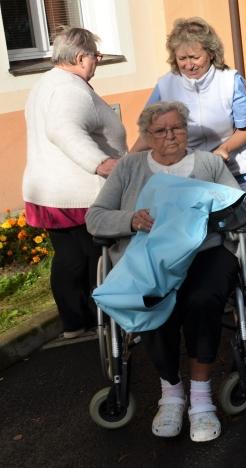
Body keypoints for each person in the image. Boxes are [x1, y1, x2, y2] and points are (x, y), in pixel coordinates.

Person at [87, 101, 239, 442]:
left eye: (178, 128)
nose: (171, 135)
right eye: (161, 130)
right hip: (148, 256)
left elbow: (237, 209)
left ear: (187, 130)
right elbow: (95, 216)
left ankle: (200, 399)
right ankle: (171, 393)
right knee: (152, 299)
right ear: (146, 136)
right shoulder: (129, 167)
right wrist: (131, 219)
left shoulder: (209, 163)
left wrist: (207, 212)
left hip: (204, 251)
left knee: (202, 299)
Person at [131, 17, 246, 326]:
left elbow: (244, 129)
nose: (188, 64)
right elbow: (149, 127)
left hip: (240, 169)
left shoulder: (230, 80)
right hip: (193, 176)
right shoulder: (167, 84)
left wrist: (224, 151)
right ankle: (224, 296)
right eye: (182, 58)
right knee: (204, 241)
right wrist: (129, 158)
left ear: (211, 53)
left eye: (195, 57)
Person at [22, 27, 126, 339]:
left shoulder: (48, 83)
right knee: (91, 261)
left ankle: (75, 322)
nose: (98, 61)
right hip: (75, 195)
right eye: (96, 56)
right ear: (81, 58)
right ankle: (97, 321)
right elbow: (63, 129)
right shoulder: (70, 89)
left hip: (54, 191)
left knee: (71, 260)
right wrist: (103, 164)